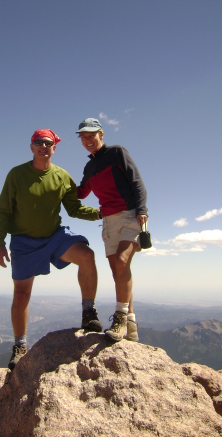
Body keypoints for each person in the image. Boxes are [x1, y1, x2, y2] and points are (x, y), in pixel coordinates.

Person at [0, 128, 103, 370]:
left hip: (54, 236)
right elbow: (2, 211)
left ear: (54, 147)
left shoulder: (62, 176)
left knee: (87, 255)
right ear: (31, 147)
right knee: (21, 294)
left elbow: (73, 209)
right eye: (39, 142)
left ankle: (88, 312)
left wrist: (98, 213)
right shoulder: (17, 175)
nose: (43, 146)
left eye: (48, 143)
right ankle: (20, 345)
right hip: (23, 241)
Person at [76, 118, 148, 343]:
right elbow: (81, 193)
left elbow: (137, 182)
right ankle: (131, 325)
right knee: (119, 273)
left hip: (129, 215)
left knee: (122, 262)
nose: (88, 140)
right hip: (108, 221)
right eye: (83, 137)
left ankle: (119, 319)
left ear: (101, 134)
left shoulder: (117, 153)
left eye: (91, 135)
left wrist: (142, 208)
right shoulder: (89, 167)